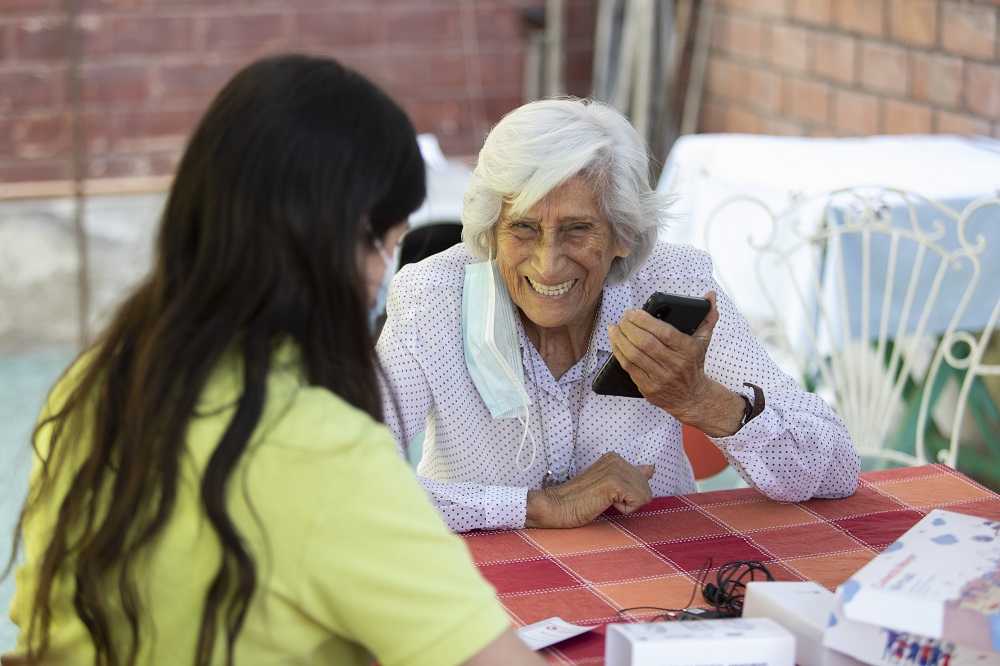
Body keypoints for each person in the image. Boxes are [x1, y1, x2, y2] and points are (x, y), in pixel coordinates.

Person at [2, 54, 543, 666]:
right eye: (387, 247)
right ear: (344, 242)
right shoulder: (322, 451)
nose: (381, 283)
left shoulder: (96, 380)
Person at [375, 98, 861, 533]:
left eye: (578, 229)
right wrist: (535, 506)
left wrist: (702, 401)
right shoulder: (432, 299)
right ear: (492, 230)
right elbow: (345, 475)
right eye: (523, 228)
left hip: (664, 575)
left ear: (623, 233)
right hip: (488, 589)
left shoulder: (674, 280)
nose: (549, 263)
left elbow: (837, 469)